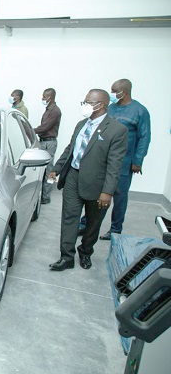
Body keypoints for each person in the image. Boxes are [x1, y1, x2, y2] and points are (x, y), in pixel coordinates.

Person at [48, 89, 128, 271]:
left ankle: (85, 251)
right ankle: (66, 257)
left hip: (97, 185)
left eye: (88, 102)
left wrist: (107, 192)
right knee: (69, 218)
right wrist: (56, 169)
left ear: (102, 104)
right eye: (84, 102)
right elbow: (71, 149)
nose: (84, 106)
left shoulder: (117, 130)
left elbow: (115, 165)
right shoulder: (81, 124)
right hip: (73, 177)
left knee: (92, 223)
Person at [83, 79, 151, 240]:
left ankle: (115, 230)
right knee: (95, 194)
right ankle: (86, 223)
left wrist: (138, 161)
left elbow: (144, 137)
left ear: (124, 92)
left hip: (124, 163)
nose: (112, 94)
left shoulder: (140, 111)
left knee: (119, 196)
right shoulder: (110, 109)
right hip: (102, 161)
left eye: (114, 91)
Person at [34, 88, 62, 205]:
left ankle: (46, 197)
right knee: (42, 170)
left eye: (45, 97)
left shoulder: (55, 111)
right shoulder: (48, 109)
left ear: (50, 97)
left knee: (49, 171)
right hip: (44, 141)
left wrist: (31, 130)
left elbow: (45, 127)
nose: (43, 99)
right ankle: (42, 195)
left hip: (49, 143)